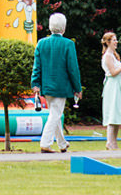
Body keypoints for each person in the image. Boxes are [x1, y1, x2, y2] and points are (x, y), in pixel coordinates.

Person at [31, 13, 83, 154]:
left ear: (50, 26)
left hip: (46, 86)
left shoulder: (41, 43)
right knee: (55, 114)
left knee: (56, 114)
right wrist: (77, 88)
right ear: (64, 28)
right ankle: (45, 143)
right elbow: (73, 68)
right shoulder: (68, 44)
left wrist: (35, 83)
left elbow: (37, 66)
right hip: (61, 86)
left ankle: (62, 144)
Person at [98, 31, 121, 151]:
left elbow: (120, 73)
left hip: (118, 84)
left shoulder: (114, 55)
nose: (116, 42)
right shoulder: (107, 56)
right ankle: (109, 142)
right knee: (112, 113)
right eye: (114, 40)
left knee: (117, 113)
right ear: (108, 42)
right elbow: (112, 72)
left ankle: (114, 142)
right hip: (112, 86)